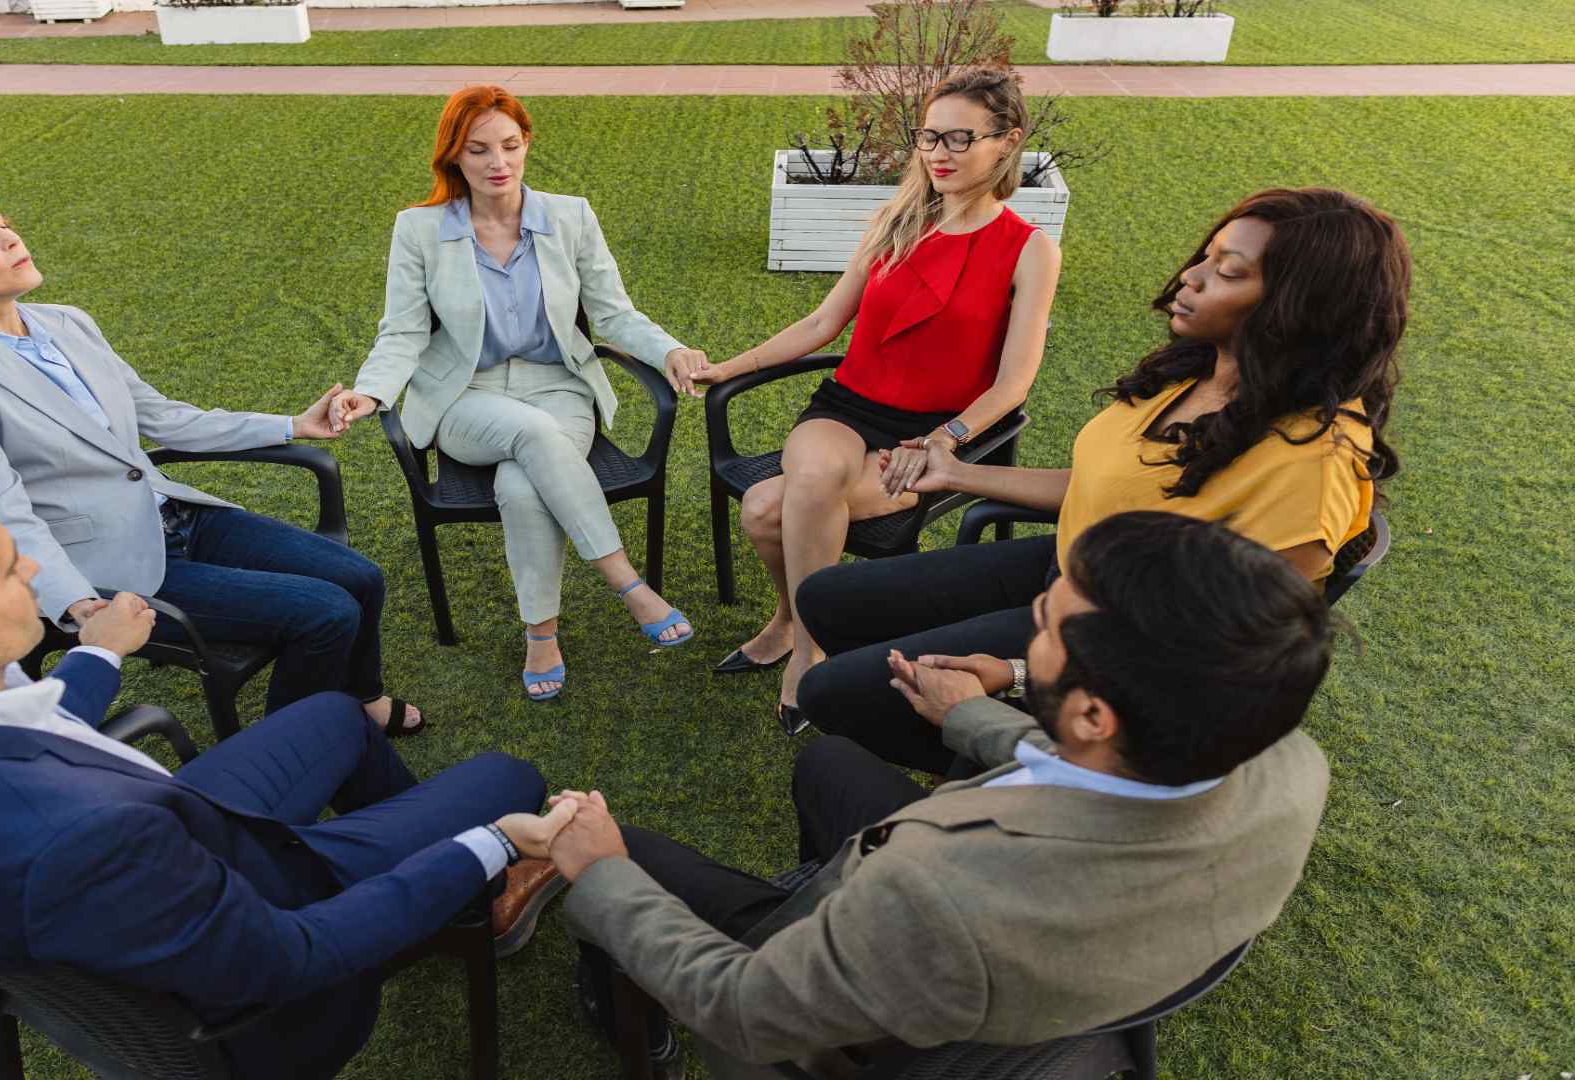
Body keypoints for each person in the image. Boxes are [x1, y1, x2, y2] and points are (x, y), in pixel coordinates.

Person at [0, 465, 581, 1080]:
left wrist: (95, 656)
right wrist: (494, 844)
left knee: (330, 716)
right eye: (9, 565)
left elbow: (6, 734)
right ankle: (462, 898)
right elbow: (290, 960)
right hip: (270, 941)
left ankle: (441, 898)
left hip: (142, 860)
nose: (33, 566)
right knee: (505, 780)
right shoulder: (90, 842)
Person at [551, 512, 1335, 1077]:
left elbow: (746, 1011)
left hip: (862, 1015)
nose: (1027, 633)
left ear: (1096, 716)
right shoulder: (1288, 766)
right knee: (829, 764)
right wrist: (976, 713)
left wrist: (604, 872)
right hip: (1064, 971)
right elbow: (1100, 773)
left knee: (610, 856)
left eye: (1044, 628)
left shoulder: (938, 894)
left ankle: (632, 1020)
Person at [796, 186, 1408, 769]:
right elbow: (1102, 486)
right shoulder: (1200, 371)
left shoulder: (1312, 465)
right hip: (1074, 565)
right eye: (1207, 256)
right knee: (826, 599)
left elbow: (1212, 660)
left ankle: (1005, 774)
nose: (1190, 277)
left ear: (1302, 308)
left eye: (1228, 272)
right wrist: (956, 473)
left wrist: (1016, 675)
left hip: (1120, 639)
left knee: (829, 693)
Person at [0, 176, 424, 736]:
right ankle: (290, 748)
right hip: (103, 567)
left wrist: (293, 425)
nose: (9, 239)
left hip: (175, 516)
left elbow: (160, 415)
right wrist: (79, 604)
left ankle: (362, 697)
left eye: (1, 224)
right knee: (326, 611)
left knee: (360, 578)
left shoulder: (65, 322)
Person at [688, 66, 1060, 736]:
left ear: (1007, 142)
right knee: (814, 480)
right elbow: (822, 323)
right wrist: (729, 367)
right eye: (930, 137)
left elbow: (1014, 383)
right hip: (845, 407)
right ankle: (808, 642)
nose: (940, 153)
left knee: (766, 506)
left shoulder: (1030, 249)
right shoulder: (895, 221)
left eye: (960, 138)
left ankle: (793, 631)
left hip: (928, 432)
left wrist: (947, 438)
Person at [328, 85, 706, 701]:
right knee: (532, 435)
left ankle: (541, 635)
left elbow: (613, 313)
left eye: (509, 145)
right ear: (455, 156)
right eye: (478, 150)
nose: (497, 162)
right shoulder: (419, 229)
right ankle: (628, 584)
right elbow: (402, 331)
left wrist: (669, 350)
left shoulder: (570, 216)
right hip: (463, 397)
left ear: (526, 142)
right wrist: (370, 394)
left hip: (559, 389)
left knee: (523, 484)